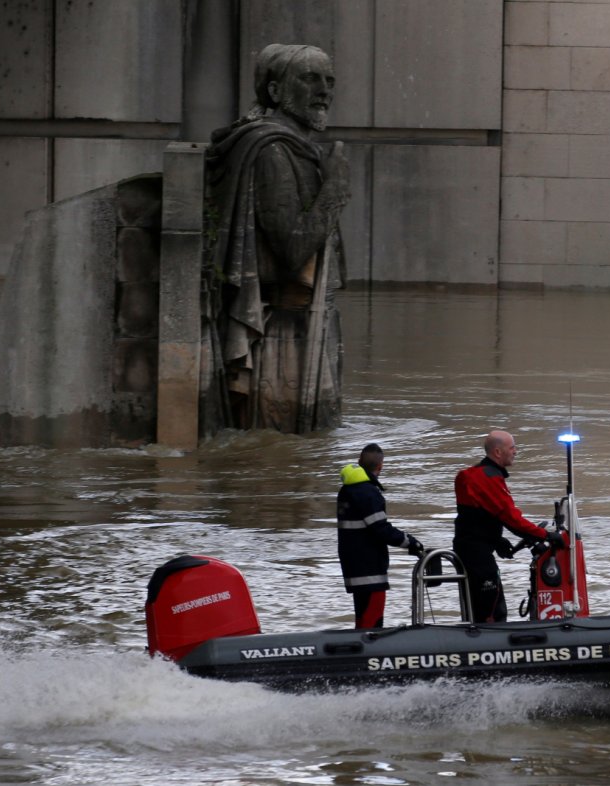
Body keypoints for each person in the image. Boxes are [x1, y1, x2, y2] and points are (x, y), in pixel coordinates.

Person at [202, 43, 352, 435]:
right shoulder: (272, 151)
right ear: (274, 92)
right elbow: (293, 247)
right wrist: (335, 186)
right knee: (284, 450)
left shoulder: (298, 150)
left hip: (304, 320)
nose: (324, 90)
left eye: (329, 80)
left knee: (304, 456)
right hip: (283, 332)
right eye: (310, 78)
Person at [453, 430, 564, 622]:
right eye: (512, 447)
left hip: (473, 548)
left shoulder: (476, 474)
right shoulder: (488, 478)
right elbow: (512, 519)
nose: (516, 451)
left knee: (485, 601)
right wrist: (546, 535)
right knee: (492, 607)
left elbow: (479, 515)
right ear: (498, 452)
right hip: (477, 554)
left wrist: (495, 540)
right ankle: (487, 641)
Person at [337, 443, 425, 628]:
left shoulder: (347, 490)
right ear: (380, 466)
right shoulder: (368, 492)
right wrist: (410, 542)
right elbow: (381, 529)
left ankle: (358, 652)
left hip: (353, 564)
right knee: (372, 622)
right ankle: (369, 654)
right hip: (369, 567)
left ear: (359, 462)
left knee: (362, 619)